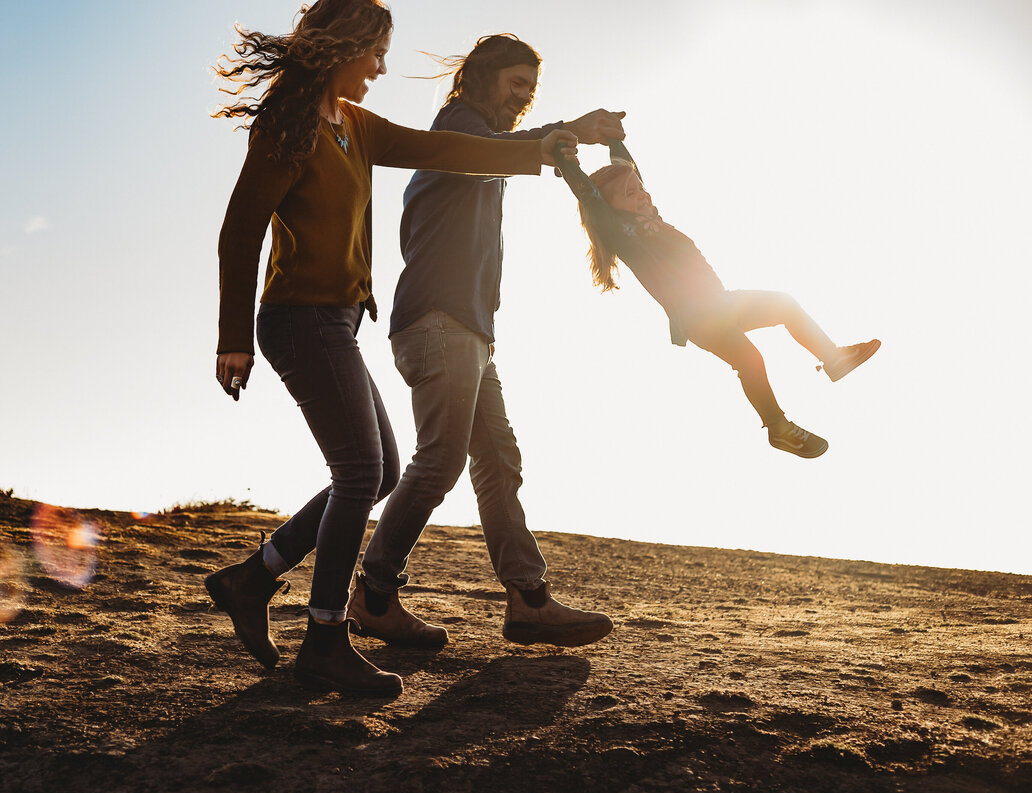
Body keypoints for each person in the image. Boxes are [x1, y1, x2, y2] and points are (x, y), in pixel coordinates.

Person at [205, 1, 579, 698]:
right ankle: (324, 638)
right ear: (342, 47)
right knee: (360, 471)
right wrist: (232, 337)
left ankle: (251, 579)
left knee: (376, 475)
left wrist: (543, 148)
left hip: (338, 320)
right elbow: (240, 231)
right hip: (297, 319)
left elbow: (447, 150)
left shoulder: (354, 126)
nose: (381, 66)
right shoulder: (287, 125)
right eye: (375, 52)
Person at [346, 34, 620, 651]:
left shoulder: (482, 149)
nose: (523, 98)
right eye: (515, 84)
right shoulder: (458, 132)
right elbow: (489, 152)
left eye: (531, 88)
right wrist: (564, 130)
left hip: (467, 329)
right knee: (439, 462)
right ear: (481, 78)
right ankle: (374, 594)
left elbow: (497, 156)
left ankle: (528, 601)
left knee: (497, 460)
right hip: (438, 324)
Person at [556, 138, 880, 457]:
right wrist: (566, 161)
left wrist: (614, 136)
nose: (641, 194)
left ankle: (833, 358)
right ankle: (778, 428)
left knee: (785, 304)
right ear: (609, 209)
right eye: (630, 194)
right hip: (696, 317)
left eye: (641, 188)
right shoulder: (623, 231)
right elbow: (590, 195)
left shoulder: (651, 216)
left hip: (721, 301)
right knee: (749, 359)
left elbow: (629, 170)